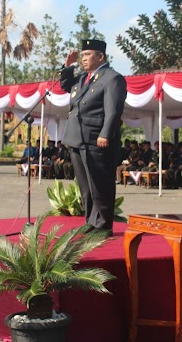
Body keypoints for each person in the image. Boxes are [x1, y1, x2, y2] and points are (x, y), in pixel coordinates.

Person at [61, 39, 127, 235]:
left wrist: (105, 133)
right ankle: (91, 221)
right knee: (85, 186)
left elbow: (113, 110)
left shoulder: (112, 78)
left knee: (100, 183)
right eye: (82, 56)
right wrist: (68, 66)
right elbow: (65, 85)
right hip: (76, 138)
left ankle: (103, 225)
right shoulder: (82, 78)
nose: (83, 59)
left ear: (101, 56)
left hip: (96, 139)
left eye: (87, 55)